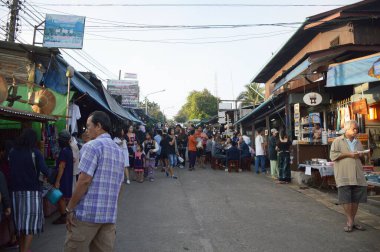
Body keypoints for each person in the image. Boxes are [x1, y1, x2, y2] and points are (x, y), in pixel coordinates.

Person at [64, 111, 125, 252]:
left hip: (87, 215)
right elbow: (120, 184)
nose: (86, 130)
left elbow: (84, 180)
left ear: (98, 126)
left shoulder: (92, 146)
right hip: (108, 216)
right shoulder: (119, 150)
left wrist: (70, 208)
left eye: (88, 126)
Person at [9, 128, 49, 252]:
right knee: (30, 224)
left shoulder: (12, 152)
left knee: (20, 224)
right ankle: (25, 250)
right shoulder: (35, 153)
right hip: (32, 191)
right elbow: (45, 170)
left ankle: (22, 249)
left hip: (16, 193)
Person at [330, 120, 368, 232]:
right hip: (344, 173)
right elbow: (333, 156)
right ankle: (350, 221)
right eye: (353, 129)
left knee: (356, 198)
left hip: (357, 174)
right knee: (346, 198)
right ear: (346, 130)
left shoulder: (358, 142)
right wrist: (348, 154)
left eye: (357, 129)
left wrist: (362, 155)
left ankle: (352, 220)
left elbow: (362, 158)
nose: (356, 131)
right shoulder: (338, 141)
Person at [53, 130, 74, 225]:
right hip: (68, 176)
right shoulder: (69, 150)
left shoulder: (64, 151)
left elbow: (62, 166)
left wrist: (57, 181)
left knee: (60, 196)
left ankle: (63, 216)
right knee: (65, 196)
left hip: (63, 177)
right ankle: (67, 213)